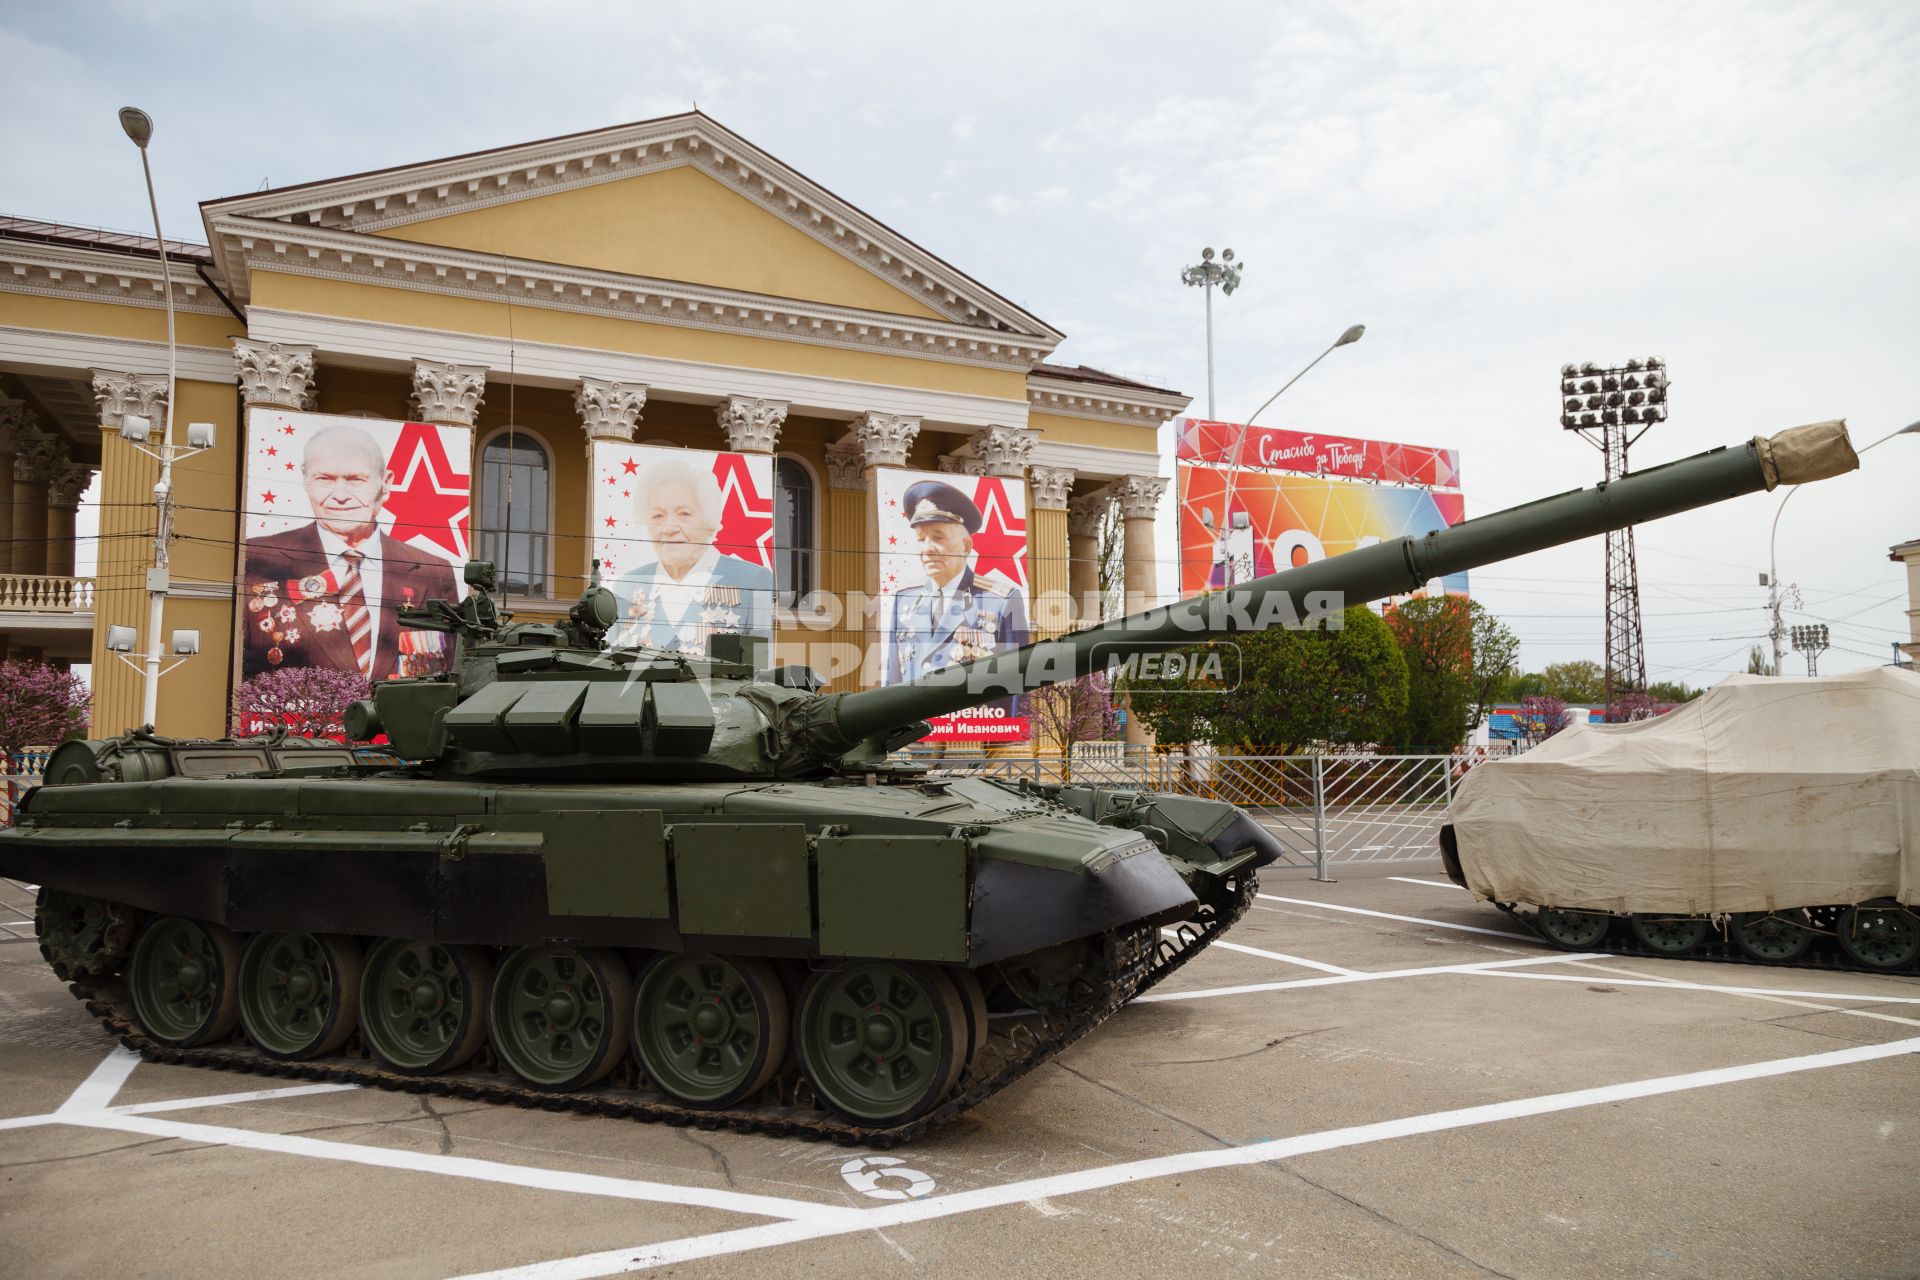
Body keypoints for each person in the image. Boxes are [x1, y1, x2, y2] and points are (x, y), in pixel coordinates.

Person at [242, 424, 458, 681]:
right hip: (292, 720)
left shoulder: (431, 570)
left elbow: (443, 672)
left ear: (385, 483)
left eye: (357, 480)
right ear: (305, 479)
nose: (341, 496)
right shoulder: (259, 557)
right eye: (325, 479)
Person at [609, 457, 773, 654]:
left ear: (708, 519)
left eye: (684, 513)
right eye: (657, 516)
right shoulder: (626, 585)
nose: (669, 528)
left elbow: (760, 667)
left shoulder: (753, 580)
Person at [883, 479, 1029, 684]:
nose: (927, 548)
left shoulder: (1000, 600)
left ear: (966, 546)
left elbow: (1015, 685)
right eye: (921, 539)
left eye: (938, 537)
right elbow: (892, 681)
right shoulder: (905, 598)